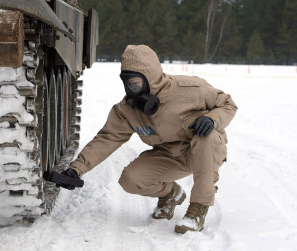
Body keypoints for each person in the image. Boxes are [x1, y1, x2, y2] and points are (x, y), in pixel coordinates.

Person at [61, 45, 237, 233]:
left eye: (136, 82)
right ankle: (171, 194)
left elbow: (227, 104)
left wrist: (212, 119)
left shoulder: (191, 89)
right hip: (169, 156)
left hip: (203, 151)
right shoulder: (128, 109)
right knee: (130, 179)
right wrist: (76, 169)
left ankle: (198, 209)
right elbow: (107, 138)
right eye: (127, 83)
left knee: (206, 135)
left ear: (150, 77)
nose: (132, 88)